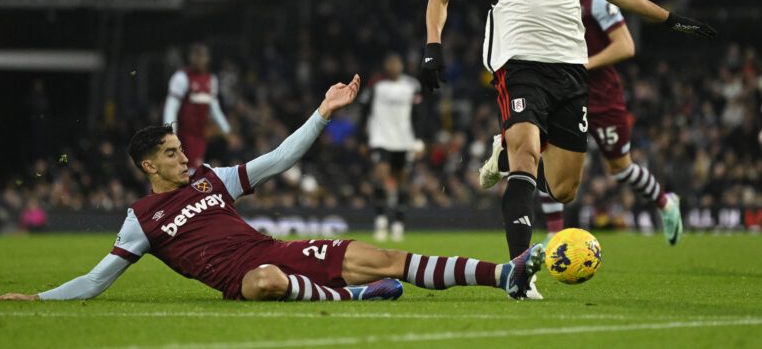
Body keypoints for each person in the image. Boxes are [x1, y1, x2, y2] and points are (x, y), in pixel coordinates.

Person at [0, 75, 544, 302]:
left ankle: (505, 276)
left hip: (275, 250)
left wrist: (322, 113)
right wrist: (38, 299)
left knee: (385, 256)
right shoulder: (141, 219)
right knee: (264, 282)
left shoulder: (213, 179)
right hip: (247, 276)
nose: (183, 155)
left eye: (180, 148)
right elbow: (97, 280)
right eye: (170, 152)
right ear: (147, 166)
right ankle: (350, 298)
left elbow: (280, 159)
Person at [419, 0, 715, 266]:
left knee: (563, 189)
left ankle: (503, 158)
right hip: (518, 62)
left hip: (572, 69)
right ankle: (519, 273)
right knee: (527, 153)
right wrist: (433, 47)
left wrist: (670, 18)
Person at [480, 0, 684, 247]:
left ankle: (666, 203)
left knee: (620, 168)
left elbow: (625, 45)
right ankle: (555, 233)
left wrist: (581, 64)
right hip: (559, 90)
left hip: (601, 96)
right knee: (542, 154)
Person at [359, 53, 422, 242]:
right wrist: (363, 139)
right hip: (381, 139)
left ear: (402, 66)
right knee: (381, 175)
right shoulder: (375, 86)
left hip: (404, 140)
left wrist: (419, 140)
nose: (394, 66)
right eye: (390, 63)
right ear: (385, 67)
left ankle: (398, 223)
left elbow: (420, 114)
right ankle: (380, 220)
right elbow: (364, 112)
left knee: (402, 181)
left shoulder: (412, 86)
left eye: (397, 63)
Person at [163, 43, 231, 171]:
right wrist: (170, 133)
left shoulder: (211, 80)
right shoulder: (181, 78)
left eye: (202, 56)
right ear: (191, 58)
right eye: (196, 56)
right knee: (187, 170)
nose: (199, 59)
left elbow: (214, 108)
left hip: (200, 135)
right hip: (184, 134)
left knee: (193, 170)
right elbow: (171, 108)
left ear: (207, 59)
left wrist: (226, 130)